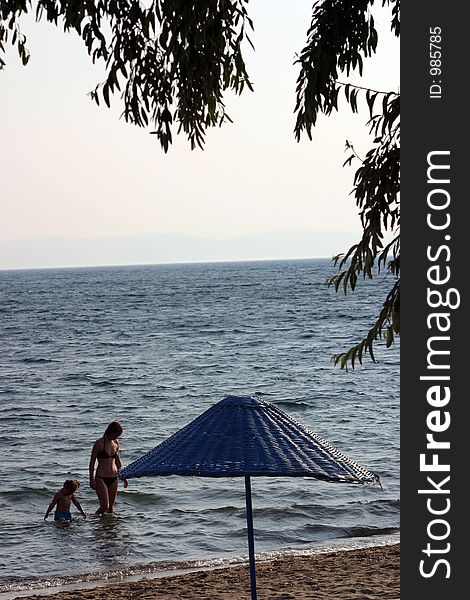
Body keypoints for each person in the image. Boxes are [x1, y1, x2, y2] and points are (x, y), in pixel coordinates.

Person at [89, 420, 128, 514]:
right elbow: (92, 463)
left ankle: (108, 527)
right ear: (111, 432)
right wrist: (91, 479)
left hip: (114, 477)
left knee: (110, 508)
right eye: (116, 435)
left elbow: (118, 461)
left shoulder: (116, 443)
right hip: (101, 477)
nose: (117, 437)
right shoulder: (99, 443)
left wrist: (123, 477)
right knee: (104, 506)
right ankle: (93, 523)